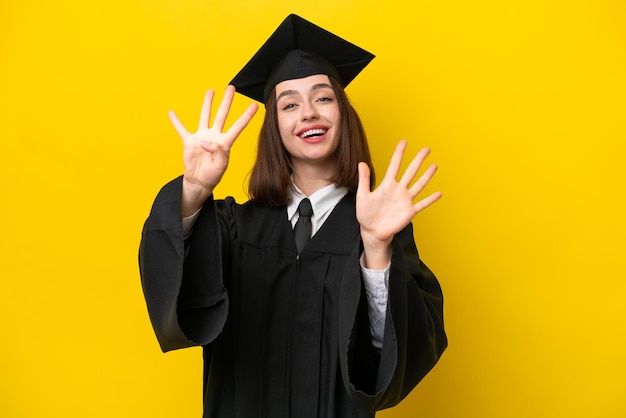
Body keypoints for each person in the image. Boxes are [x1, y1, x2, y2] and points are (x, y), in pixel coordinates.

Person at [139, 14, 447, 418]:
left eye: (323, 97)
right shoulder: (233, 226)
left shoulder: (379, 229)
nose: (308, 113)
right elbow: (177, 297)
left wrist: (374, 250)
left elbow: (396, 358)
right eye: (289, 104)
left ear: (343, 114)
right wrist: (194, 190)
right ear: (275, 125)